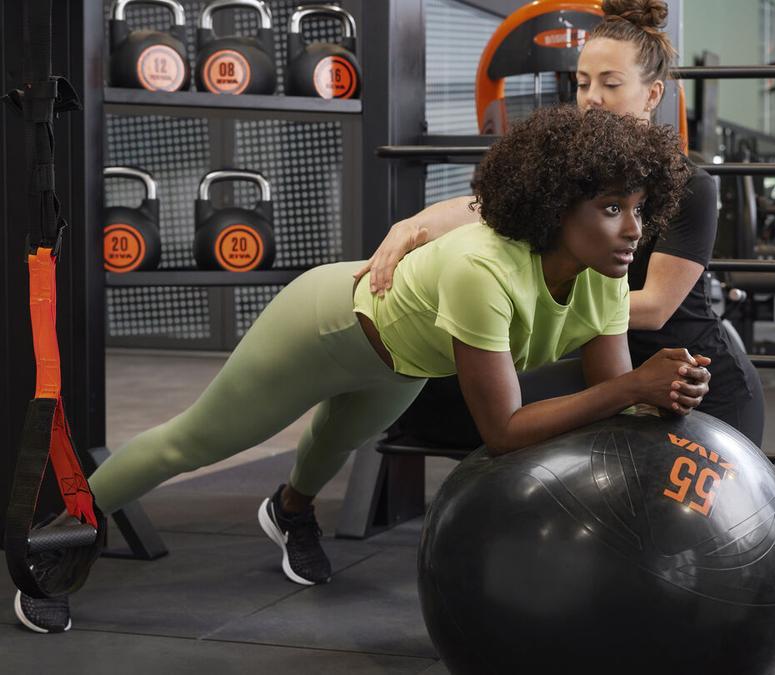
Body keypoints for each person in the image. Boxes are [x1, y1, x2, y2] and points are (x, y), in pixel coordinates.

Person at [14, 106, 709, 634]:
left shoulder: (604, 277)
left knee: (336, 441)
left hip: (404, 360)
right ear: (558, 207)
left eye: (640, 209)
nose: (633, 231)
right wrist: (632, 387)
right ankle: (62, 535)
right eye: (612, 207)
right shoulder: (483, 265)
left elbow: (612, 396)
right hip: (328, 323)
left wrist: (664, 393)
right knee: (193, 441)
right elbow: (501, 429)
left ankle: (289, 512)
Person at [354, 0, 775, 590]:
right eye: (581, 83)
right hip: (610, 377)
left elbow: (653, 306)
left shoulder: (690, 184)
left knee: (713, 568)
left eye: (610, 82)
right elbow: (482, 210)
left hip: (691, 380)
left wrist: (540, 302)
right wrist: (411, 228)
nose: (591, 97)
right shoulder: (569, 176)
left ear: (652, 95)